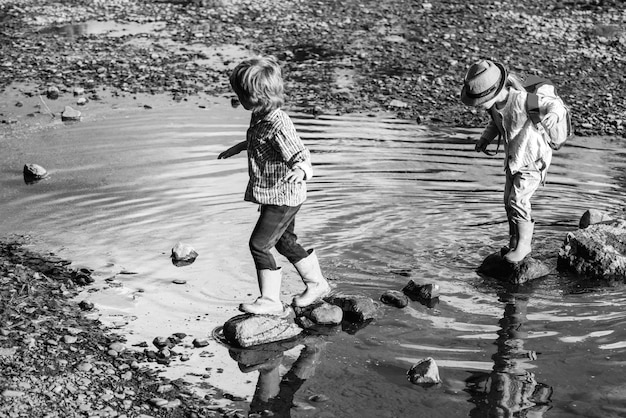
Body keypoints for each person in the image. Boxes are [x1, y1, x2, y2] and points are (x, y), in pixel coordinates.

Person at [218, 56, 331, 316]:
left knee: (259, 245)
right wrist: (240, 147)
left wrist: (300, 170)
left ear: (257, 96)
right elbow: (261, 143)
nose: (237, 99)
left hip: (283, 196)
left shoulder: (279, 124)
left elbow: (301, 154)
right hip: (278, 194)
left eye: (240, 94)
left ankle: (270, 301)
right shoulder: (261, 116)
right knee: (285, 242)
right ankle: (317, 285)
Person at [460, 60, 567, 263]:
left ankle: (524, 246)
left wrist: (553, 114)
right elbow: (496, 123)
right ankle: (514, 241)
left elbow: (555, 105)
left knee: (518, 200)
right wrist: (485, 139)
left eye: (478, 101)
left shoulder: (524, 100)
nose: (476, 107)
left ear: (492, 92)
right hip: (514, 160)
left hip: (533, 160)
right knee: (508, 200)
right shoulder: (495, 107)